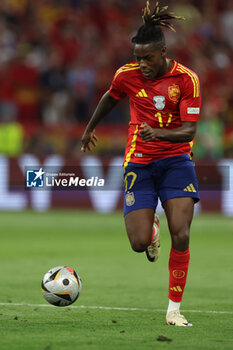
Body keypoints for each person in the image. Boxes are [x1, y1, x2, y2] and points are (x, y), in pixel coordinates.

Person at [81, 0, 201, 327]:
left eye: (148, 58)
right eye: (137, 58)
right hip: (139, 163)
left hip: (177, 161)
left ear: (163, 52)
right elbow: (110, 95)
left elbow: (189, 130)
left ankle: (173, 310)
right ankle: (151, 227)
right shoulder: (128, 75)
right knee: (138, 244)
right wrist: (90, 128)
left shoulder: (186, 80)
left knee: (183, 233)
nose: (142, 64)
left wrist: (158, 132)